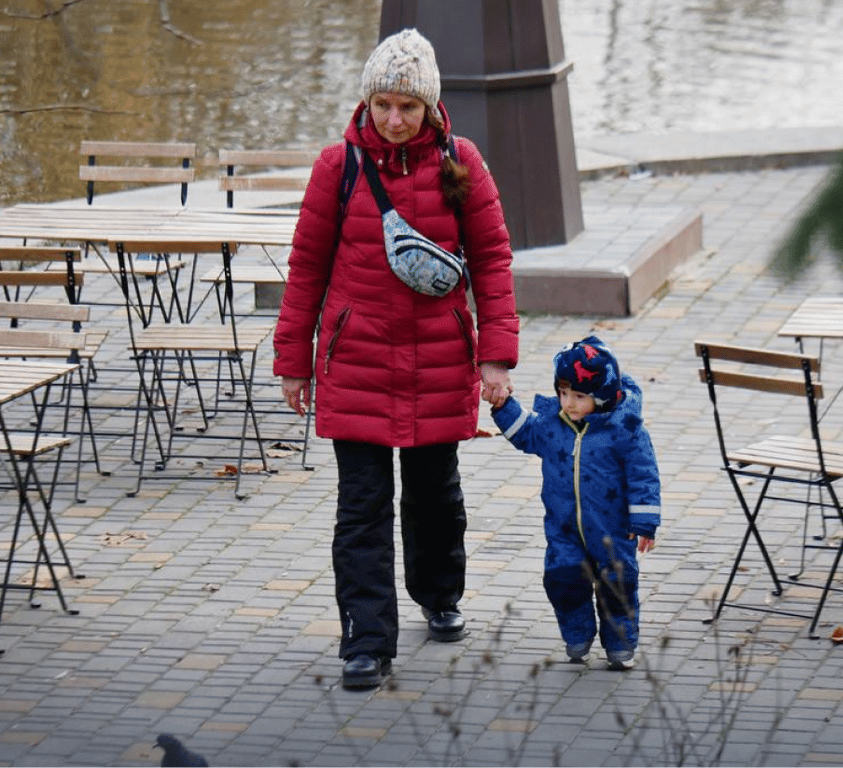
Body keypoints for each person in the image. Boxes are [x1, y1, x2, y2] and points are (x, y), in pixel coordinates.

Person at [273, 28, 519, 690]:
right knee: (362, 505)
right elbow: (307, 267)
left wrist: (496, 357)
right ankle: (365, 640)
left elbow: (494, 262)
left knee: (436, 497)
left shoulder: (462, 164)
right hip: (356, 363)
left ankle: (441, 596)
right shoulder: (337, 168)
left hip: (439, 361)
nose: (394, 118)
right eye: (384, 104)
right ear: (367, 101)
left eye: (408, 107)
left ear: (430, 107)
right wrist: (294, 361)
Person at [489, 336, 660, 670]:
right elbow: (526, 433)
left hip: (614, 529)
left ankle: (620, 644)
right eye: (563, 393)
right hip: (564, 528)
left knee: (617, 585)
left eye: (579, 396)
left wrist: (644, 521)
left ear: (602, 395)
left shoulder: (625, 429)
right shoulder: (554, 425)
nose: (568, 403)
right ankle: (577, 634)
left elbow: (644, 475)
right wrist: (502, 405)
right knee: (563, 578)